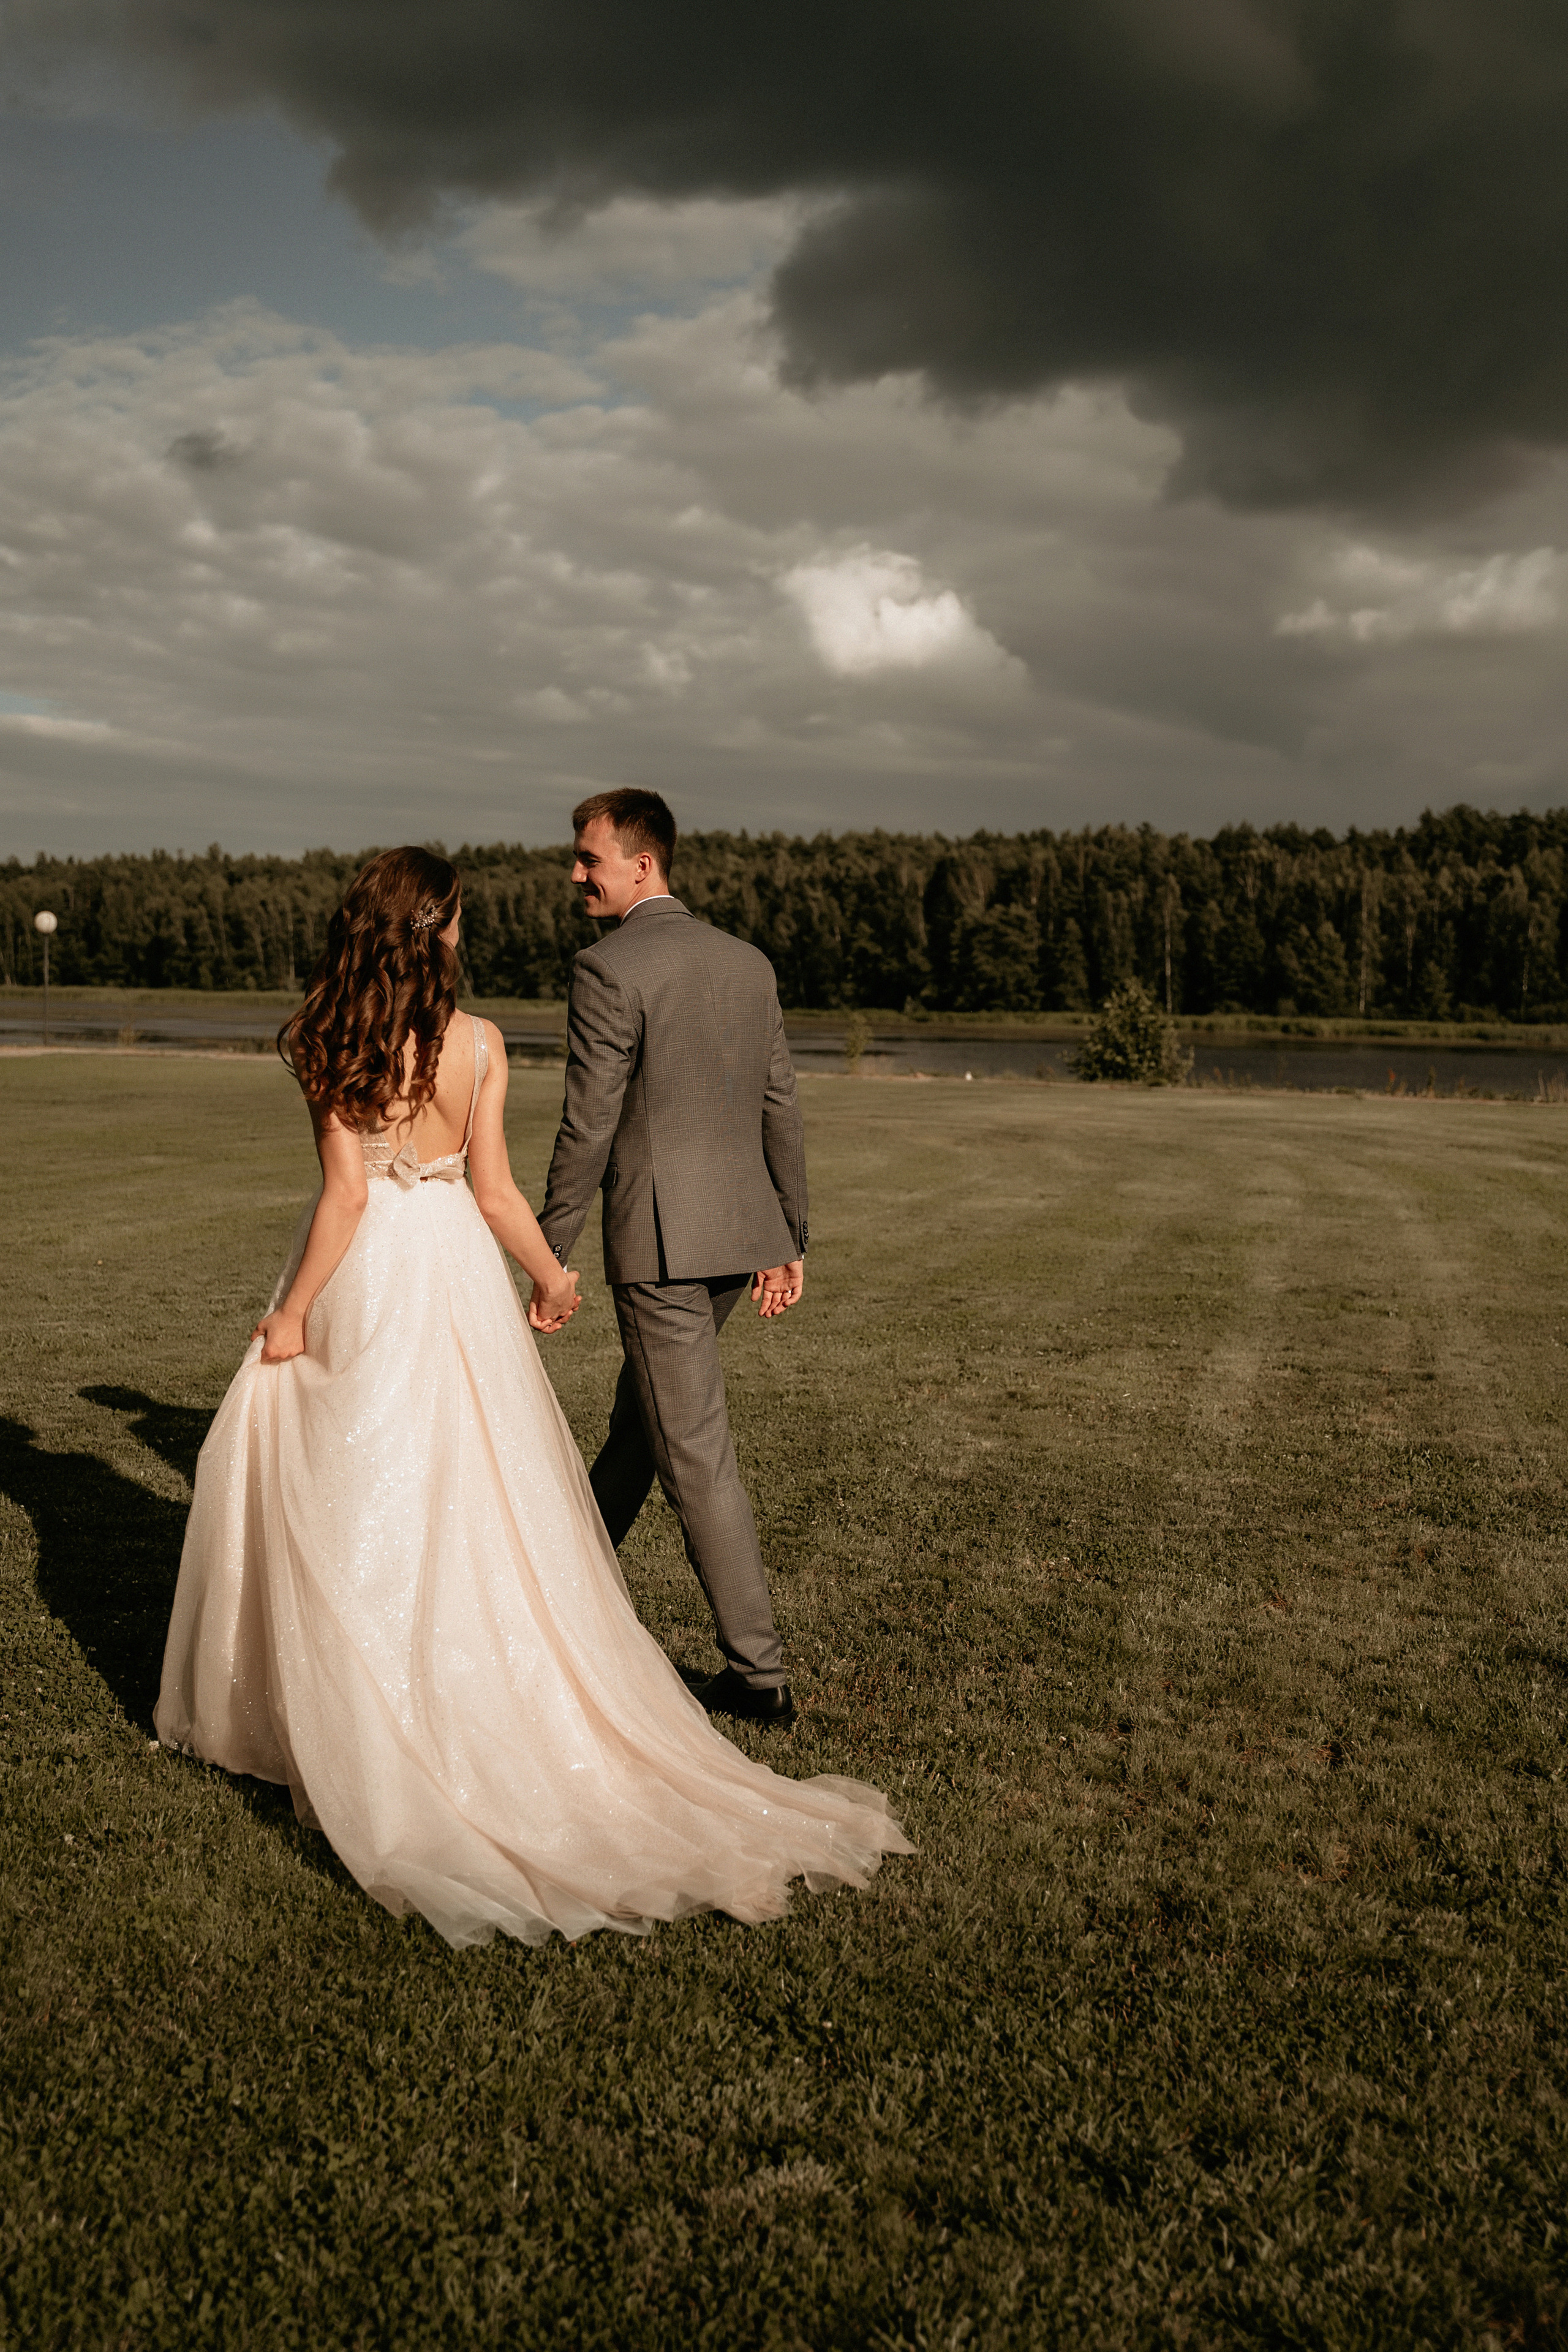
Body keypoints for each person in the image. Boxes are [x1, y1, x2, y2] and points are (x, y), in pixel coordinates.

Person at [153, 846, 908, 1949]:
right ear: (436, 932)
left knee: (348, 1477)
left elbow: (346, 1198)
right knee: (466, 1480)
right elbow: (496, 1189)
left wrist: (295, 1311)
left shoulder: (330, 1035)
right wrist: (548, 1276)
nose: (465, 934)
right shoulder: (480, 1042)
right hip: (456, 1267)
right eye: (455, 920)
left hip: (372, 1275)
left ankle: (348, 1699)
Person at [537, 791, 806, 1728]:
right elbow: (780, 1104)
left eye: (589, 859)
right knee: (638, 1428)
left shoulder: (608, 967)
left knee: (692, 1452)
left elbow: (588, 1125)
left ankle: (758, 1676)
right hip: (737, 1238)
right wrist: (787, 1235)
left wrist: (549, 1251)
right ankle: (568, 1594)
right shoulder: (747, 962)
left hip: (661, 1246)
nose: (576, 875)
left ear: (642, 865)